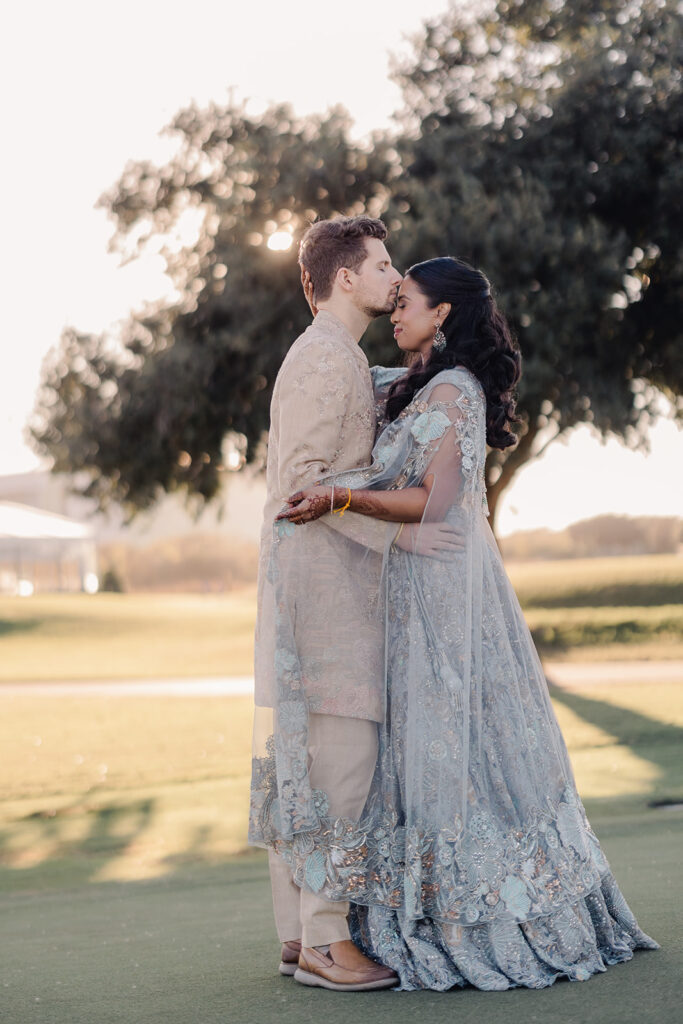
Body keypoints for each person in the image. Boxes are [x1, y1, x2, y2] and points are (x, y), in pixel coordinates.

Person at [260, 255, 659, 991]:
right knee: (422, 741)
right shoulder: (408, 384)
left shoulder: (455, 388)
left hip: (441, 584)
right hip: (404, 585)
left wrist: (339, 503)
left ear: (442, 313)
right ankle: (356, 922)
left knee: (460, 737)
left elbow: (433, 502)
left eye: (407, 298)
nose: (397, 309)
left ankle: (480, 914)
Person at [249, 218, 463, 992]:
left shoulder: (343, 358)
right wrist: (397, 541)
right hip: (323, 586)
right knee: (341, 761)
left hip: (334, 579)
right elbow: (299, 488)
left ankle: (293, 934)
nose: (393, 276)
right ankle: (323, 939)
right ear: (346, 278)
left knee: (319, 761)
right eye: (380, 264)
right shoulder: (322, 359)